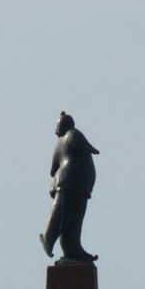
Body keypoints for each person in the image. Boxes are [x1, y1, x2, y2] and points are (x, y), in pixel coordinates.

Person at [39, 112, 100, 264]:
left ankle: (73, 250)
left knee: (73, 220)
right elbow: (88, 147)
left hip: (77, 186)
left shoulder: (60, 142)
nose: (56, 130)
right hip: (70, 183)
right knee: (64, 214)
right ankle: (48, 239)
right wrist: (92, 150)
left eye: (58, 126)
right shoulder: (73, 134)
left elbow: (53, 170)